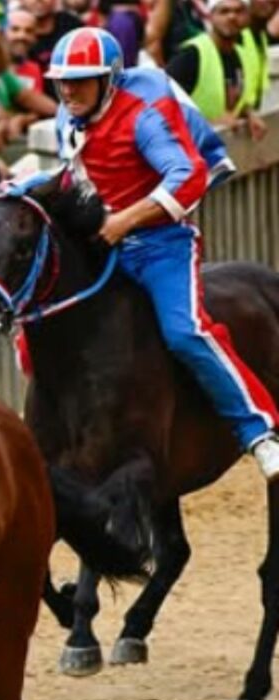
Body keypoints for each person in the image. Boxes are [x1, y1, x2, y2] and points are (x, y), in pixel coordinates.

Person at [48, 27, 279, 479]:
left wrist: (124, 221)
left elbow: (187, 176)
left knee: (185, 332)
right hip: (104, 246)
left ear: (109, 80)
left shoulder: (144, 115)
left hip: (161, 247)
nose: (68, 91)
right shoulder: (65, 116)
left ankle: (258, 432)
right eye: (61, 82)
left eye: (79, 81)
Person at [167, 0, 268, 138]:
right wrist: (210, 123)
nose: (232, 17)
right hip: (189, 145)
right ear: (210, 17)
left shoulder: (242, 55)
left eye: (238, 11)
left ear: (247, 17)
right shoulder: (193, 53)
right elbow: (161, 104)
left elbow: (235, 98)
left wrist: (248, 114)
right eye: (224, 11)